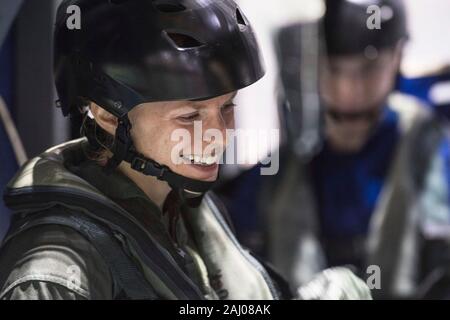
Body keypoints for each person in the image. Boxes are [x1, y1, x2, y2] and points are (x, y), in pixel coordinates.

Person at [0, 0, 370, 300]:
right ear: (106, 114)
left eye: (227, 107)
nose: (218, 136)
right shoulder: (56, 276)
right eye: (190, 116)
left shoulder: (181, 204)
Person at [221, 0, 450, 299]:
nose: (350, 90)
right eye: (333, 68)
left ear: (397, 56)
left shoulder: (432, 151)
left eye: (370, 67)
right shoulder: (274, 173)